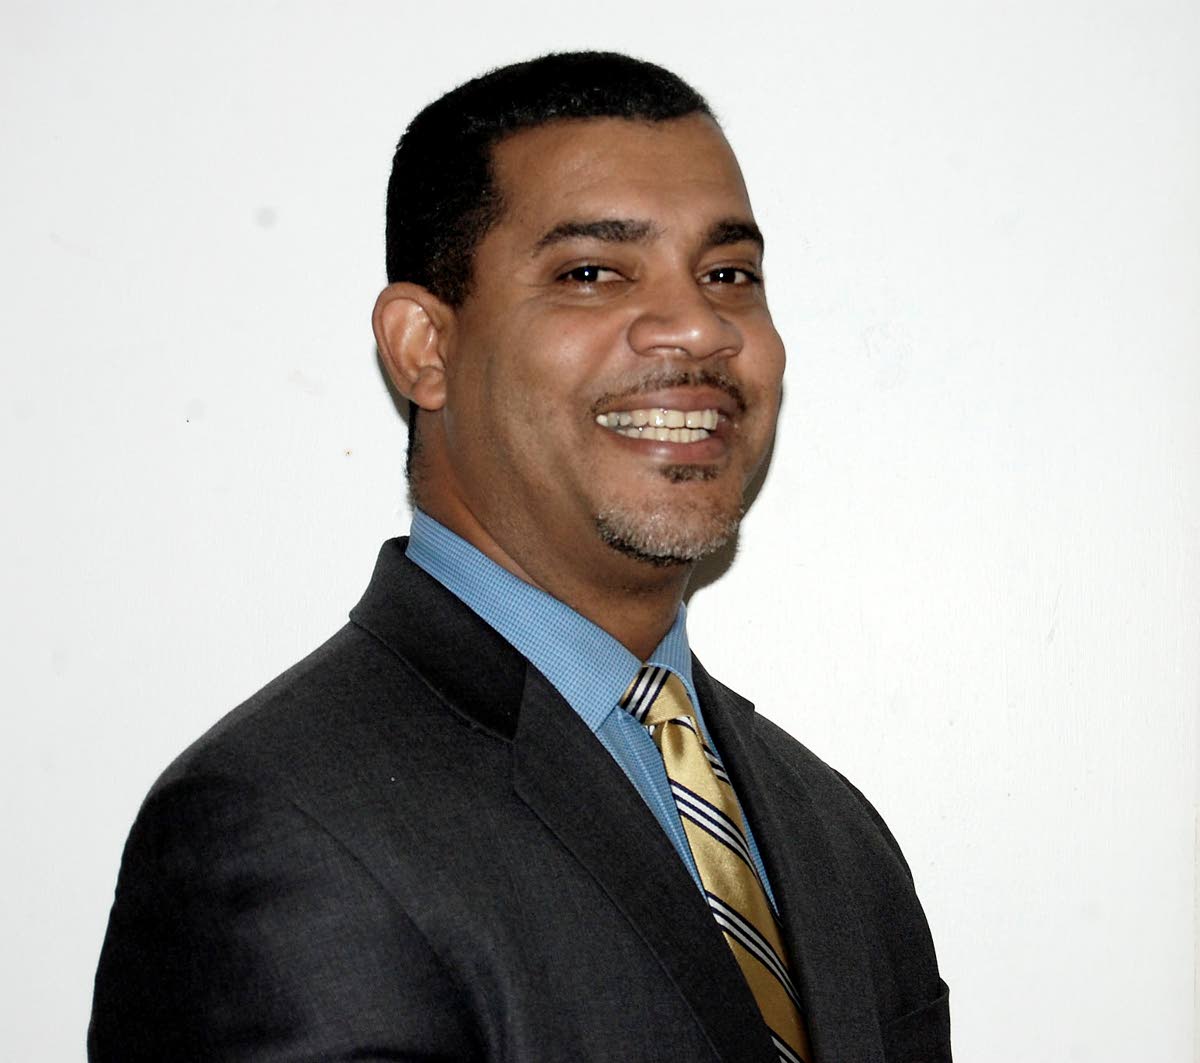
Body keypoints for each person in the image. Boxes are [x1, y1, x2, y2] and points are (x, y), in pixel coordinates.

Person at [89, 51, 951, 1063]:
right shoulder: (281, 829)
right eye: (591, 273)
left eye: (729, 275)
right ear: (424, 346)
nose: (698, 326)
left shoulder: (835, 838)